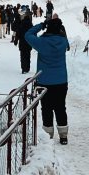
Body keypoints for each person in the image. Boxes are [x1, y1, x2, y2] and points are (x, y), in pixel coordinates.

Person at [25, 16, 70, 144]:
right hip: (61, 80)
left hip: (44, 80)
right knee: (61, 107)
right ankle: (63, 135)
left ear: (47, 28)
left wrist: (41, 25)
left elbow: (28, 34)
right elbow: (64, 37)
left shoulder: (41, 42)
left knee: (46, 108)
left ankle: (48, 135)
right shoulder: (63, 41)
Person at [12, 7, 33, 74]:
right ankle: (27, 67)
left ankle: (23, 68)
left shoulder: (21, 24)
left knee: (23, 56)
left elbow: (18, 33)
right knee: (28, 55)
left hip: (22, 43)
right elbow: (33, 33)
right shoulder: (30, 25)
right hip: (29, 42)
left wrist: (16, 41)